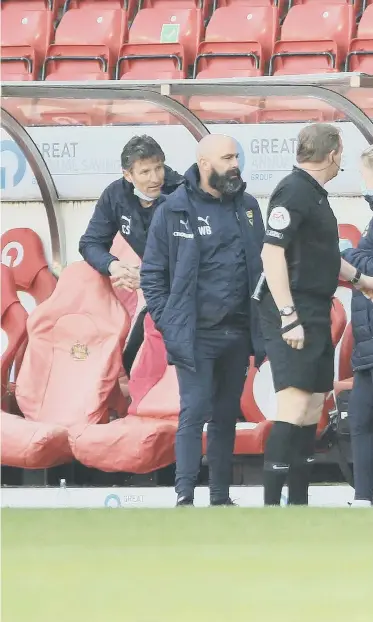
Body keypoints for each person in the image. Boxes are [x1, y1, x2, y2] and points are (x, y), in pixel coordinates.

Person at [140, 133, 265, 506]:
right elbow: (152, 275)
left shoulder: (248, 207)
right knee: (193, 412)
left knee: (226, 416)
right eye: (227, 157)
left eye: (237, 156)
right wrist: (169, 320)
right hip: (195, 334)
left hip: (238, 332)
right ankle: (184, 496)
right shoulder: (173, 209)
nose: (235, 164)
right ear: (205, 163)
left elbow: (261, 267)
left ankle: (221, 497)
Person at [257, 123, 373, 506]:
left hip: (315, 308)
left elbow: (324, 253)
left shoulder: (315, 195)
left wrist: (361, 280)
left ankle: (299, 505)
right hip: (291, 308)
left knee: (311, 405)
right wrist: (288, 314)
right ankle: (271, 507)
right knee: (292, 402)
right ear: (335, 152)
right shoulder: (293, 191)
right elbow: (272, 252)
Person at [79, 135, 183, 375]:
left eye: (159, 168)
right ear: (128, 175)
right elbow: (90, 242)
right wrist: (113, 266)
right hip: (157, 293)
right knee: (128, 364)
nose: (155, 178)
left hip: (190, 296)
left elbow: (196, 260)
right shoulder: (115, 195)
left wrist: (147, 278)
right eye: (145, 172)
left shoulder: (183, 194)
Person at [342, 145, 373, 508]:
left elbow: (357, 258)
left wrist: (359, 264)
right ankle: (364, 496)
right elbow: (356, 256)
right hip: (367, 344)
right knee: (362, 421)